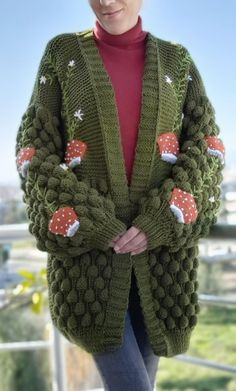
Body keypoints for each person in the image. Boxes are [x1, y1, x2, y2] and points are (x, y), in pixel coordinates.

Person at [15, 1, 225, 390]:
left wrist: (164, 218)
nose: (106, 1)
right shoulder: (62, 55)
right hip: (89, 263)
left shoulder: (177, 62)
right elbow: (33, 149)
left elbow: (207, 145)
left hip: (163, 264)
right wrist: (93, 222)